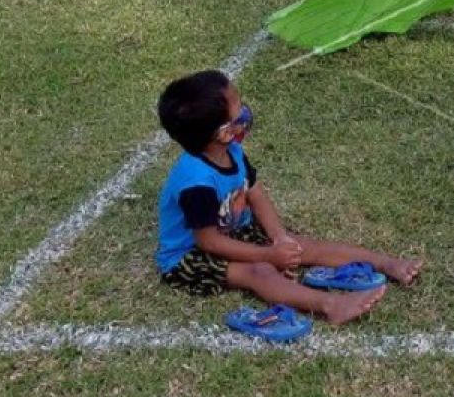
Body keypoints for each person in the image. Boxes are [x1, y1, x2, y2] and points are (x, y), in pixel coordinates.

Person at [154, 70, 423, 323]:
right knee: (260, 271)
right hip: (190, 256)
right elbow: (209, 242)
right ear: (224, 132)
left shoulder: (231, 150)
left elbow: (255, 193)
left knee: (301, 245)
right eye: (239, 110)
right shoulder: (196, 183)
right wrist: (269, 255)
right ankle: (331, 306)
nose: (246, 111)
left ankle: (386, 264)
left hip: (234, 233)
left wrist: (281, 238)